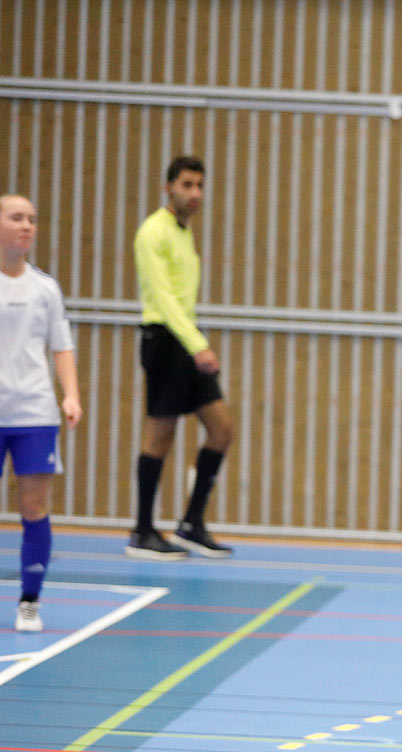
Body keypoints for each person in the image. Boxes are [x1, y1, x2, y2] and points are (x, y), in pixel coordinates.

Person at [128, 155, 233, 560]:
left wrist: (194, 340)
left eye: (200, 185)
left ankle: (191, 524)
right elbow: (164, 299)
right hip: (168, 339)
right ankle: (141, 530)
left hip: (187, 336)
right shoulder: (152, 232)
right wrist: (197, 345)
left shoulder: (183, 233)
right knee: (161, 433)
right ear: (168, 187)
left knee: (222, 428)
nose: (195, 193)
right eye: (187, 184)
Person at [0, 195, 82, 632]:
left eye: (32, 218)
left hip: (33, 412)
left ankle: (29, 601)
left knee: (33, 505)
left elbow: (61, 346)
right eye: (16, 217)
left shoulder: (45, 289)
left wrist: (70, 395)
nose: (26, 225)